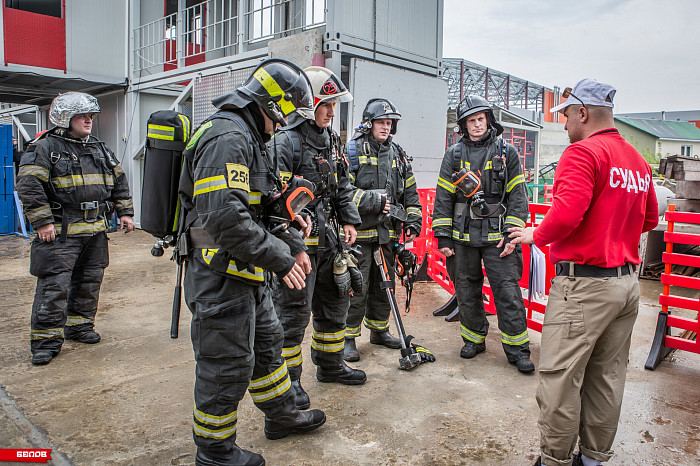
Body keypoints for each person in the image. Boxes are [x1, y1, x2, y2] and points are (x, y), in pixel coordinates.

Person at [178, 59, 326, 466]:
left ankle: (281, 417)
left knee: (267, 347)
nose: (284, 125)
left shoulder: (248, 135)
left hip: (246, 271)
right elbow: (226, 219)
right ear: (273, 105)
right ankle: (214, 452)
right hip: (219, 276)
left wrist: (291, 233)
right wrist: (282, 258)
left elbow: (262, 210)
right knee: (225, 365)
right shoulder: (227, 137)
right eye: (285, 116)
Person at [508, 79, 659, 466]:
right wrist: (611, 232)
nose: (563, 125)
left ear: (583, 113)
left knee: (561, 378)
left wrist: (534, 234)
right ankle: (592, 459)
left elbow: (567, 215)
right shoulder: (637, 161)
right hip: (626, 286)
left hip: (584, 286)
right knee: (607, 377)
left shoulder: (583, 154)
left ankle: (554, 459)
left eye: (566, 116)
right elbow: (649, 219)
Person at [268, 66, 366, 409]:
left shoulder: (331, 139)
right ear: (308, 104)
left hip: (330, 242)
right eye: (326, 104)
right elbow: (276, 201)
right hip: (298, 247)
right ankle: (289, 382)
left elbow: (342, 185)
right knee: (293, 316)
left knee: (334, 304)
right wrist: (292, 245)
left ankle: (329, 365)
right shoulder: (285, 141)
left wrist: (350, 220)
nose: (331, 111)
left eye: (334, 105)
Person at [16, 92, 135, 366]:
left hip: (95, 232)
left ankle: (79, 327)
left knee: (89, 282)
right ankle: (45, 341)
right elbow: (29, 185)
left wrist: (125, 212)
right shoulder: (44, 147)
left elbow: (119, 180)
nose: (89, 121)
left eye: (90, 116)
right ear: (64, 118)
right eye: (82, 116)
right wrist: (43, 221)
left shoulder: (99, 148)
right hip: (61, 233)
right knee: (54, 287)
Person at [431, 95, 534, 373]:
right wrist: (443, 236)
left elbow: (517, 196)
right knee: (466, 291)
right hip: (462, 238)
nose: (476, 125)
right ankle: (473, 340)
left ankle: (518, 350)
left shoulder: (507, 153)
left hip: (498, 238)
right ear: (463, 126)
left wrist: (513, 233)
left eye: (480, 119)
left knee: (507, 292)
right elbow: (443, 197)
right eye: (470, 121)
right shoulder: (453, 155)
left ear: (488, 120)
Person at [342, 98, 422, 362]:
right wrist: (374, 201)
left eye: (389, 123)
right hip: (358, 237)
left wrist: (412, 222)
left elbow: (410, 193)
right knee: (357, 288)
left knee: (383, 287)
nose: (386, 127)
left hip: (387, 235)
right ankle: (348, 339)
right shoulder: (351, 150)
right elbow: (342, 193)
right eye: (381, 122)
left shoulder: (398, 154)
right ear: (369, 123)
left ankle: (379, 331)